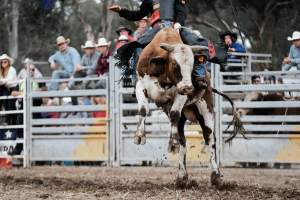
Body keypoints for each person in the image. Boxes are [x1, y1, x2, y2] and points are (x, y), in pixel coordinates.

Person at [0, 54, 18, 125]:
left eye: (5, 62)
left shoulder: (12, 69)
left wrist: (2, 81)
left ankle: (10, 122)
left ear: (8, 62)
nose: (3, 63)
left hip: (14, 88)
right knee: (6, 103)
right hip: (6, 88)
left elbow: (10, 80)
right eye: (2, 62)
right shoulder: (1, 71)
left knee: (10, 105)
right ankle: (8, 121)